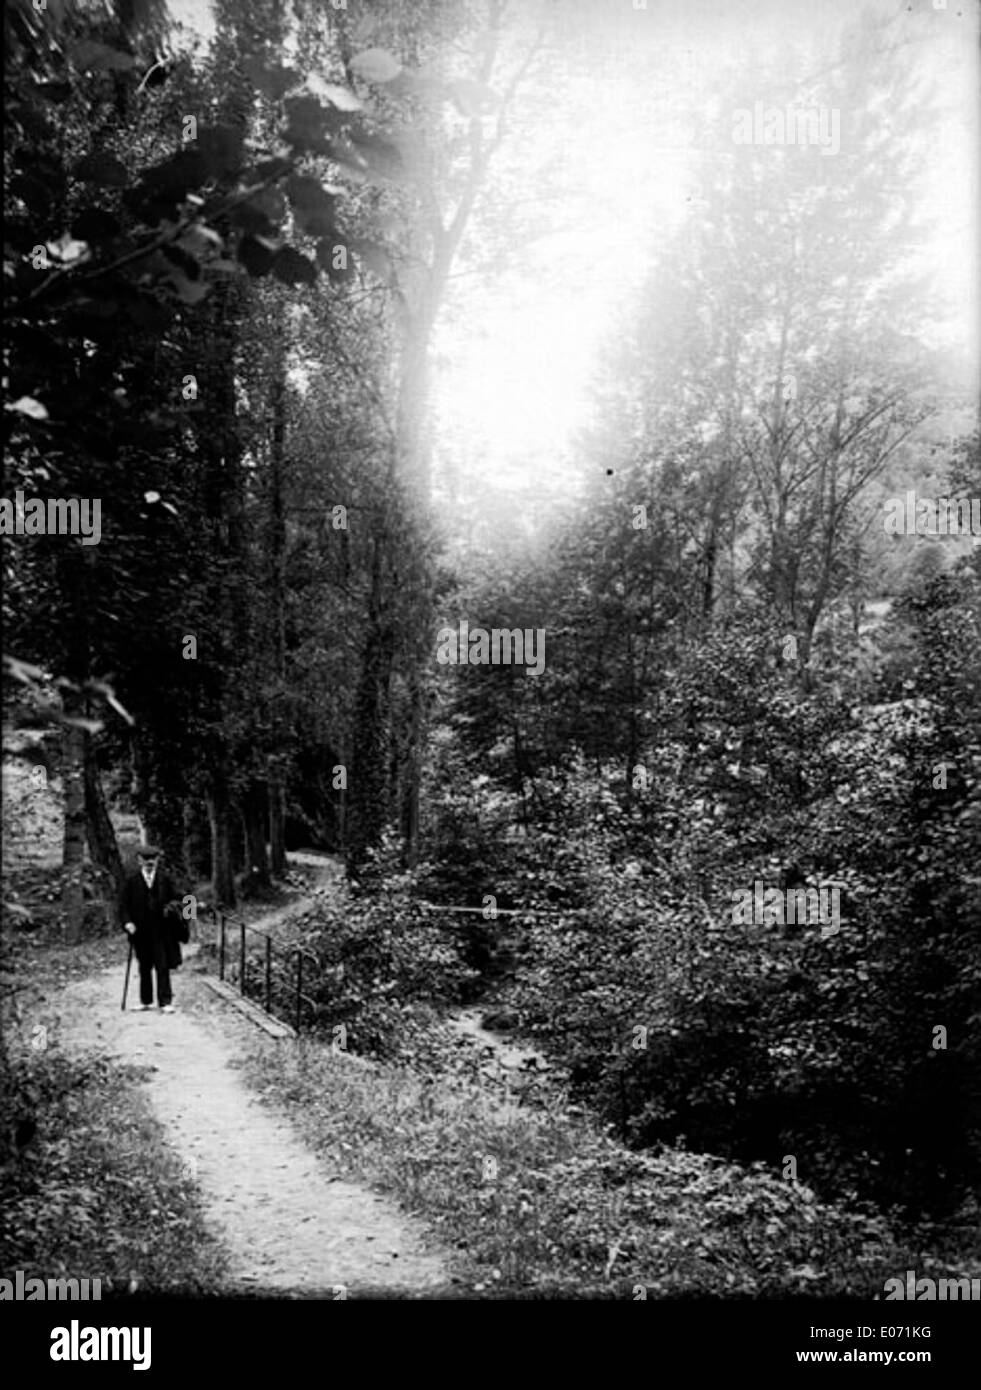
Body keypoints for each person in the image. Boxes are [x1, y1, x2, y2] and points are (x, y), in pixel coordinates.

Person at [120, 845, 185, 1013]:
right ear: (139, 860)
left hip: (162, 931)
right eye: (146, 859)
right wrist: (128, 923)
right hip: (140, 932)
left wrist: (187, 918)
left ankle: (165, 1002)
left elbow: (184, 898)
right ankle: (146, 1000)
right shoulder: (131, 881)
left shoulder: (166, 879)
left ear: (157, 861)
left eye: (153, 860)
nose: (149, 863)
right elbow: (123, 906)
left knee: (162, 965)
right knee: (144, 966)